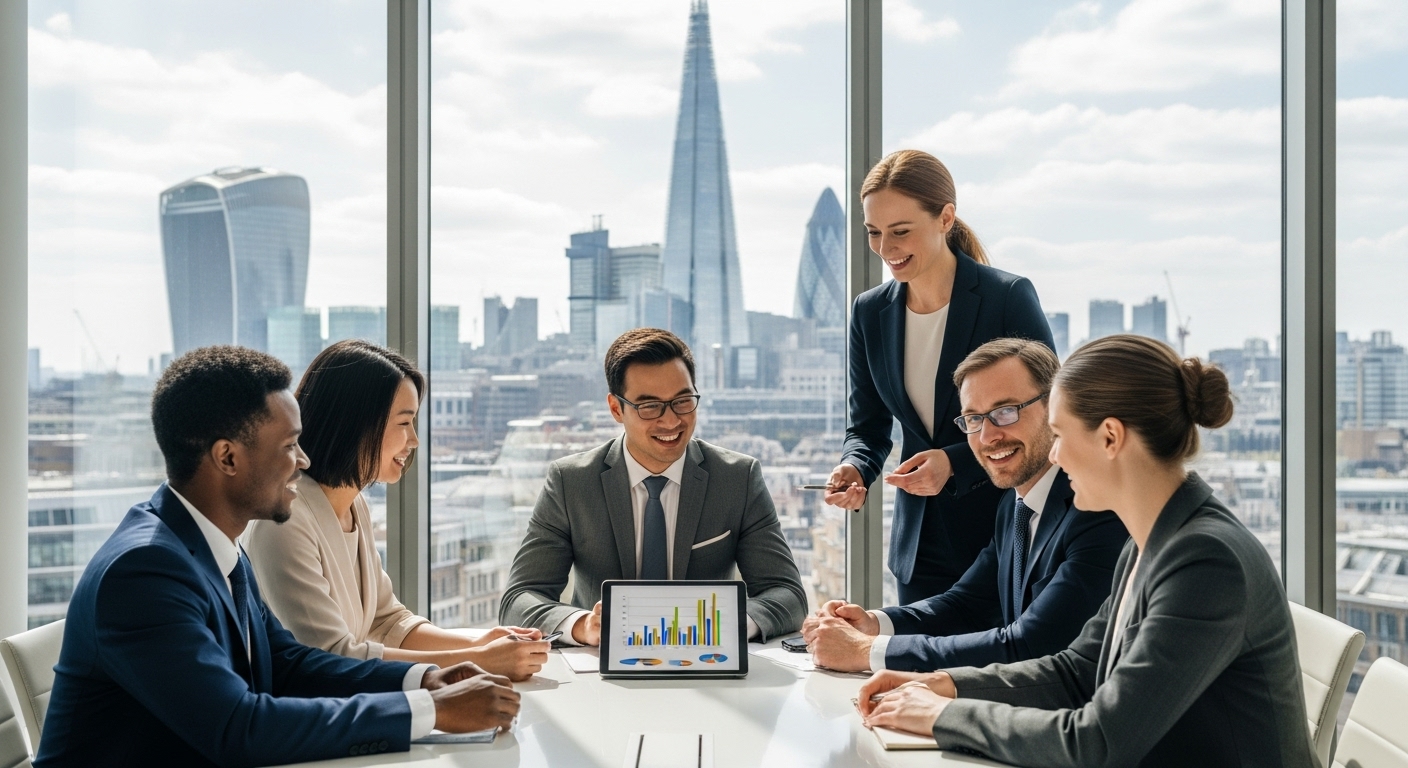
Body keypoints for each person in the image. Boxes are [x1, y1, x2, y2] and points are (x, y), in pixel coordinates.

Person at [34, 347, 520, 768]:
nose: (304, 461)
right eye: (289, 447)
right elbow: (237, 726)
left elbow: (288, 664)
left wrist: (426, 678)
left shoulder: (211, 546)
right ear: (227, 458)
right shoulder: (143, 572)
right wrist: (430, 711)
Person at [858, 335, 1315, 768]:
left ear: (1110, 438)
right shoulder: (1153, 542)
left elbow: (1097, 743)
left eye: (1059, 434)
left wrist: (941, 716)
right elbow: (1076, 671)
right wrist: (944, 686)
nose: (1054, 456)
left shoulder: (1206, 561)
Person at [802, 339, 1127, 672]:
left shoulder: (1096, 511)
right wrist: (871, 623)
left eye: (1006, 412)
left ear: (1053, 408)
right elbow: (967, 605)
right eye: (973, 419)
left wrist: (866, 651)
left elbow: (1032, 644)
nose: (987, 437)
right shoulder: (1013, 507)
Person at [244, 340, 549, 681]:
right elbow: (332, 656)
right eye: (404, 423)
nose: (414, 440)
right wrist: (479, 659)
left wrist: (483, 640)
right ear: (357, 423)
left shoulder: (353, 505)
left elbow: (387, 621)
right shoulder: (285, 522)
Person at [826, 150, 1055, 604]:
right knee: (920, 669)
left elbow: (1052, 415)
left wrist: (955, 462)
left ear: (945, 217)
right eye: (874, 233)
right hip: (920, 542)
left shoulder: (1005, 296)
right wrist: (857, 467)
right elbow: (867, 426)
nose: (886, 249)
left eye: (901, 231)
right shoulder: (869, 311)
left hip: (1007, 525)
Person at [500, 328, 806, 645]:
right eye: (649, 406)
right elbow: (519, 599)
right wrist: (583, 626)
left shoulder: (737, 478)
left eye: (683, 401)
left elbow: (788, 595)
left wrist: (730, 624)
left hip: (709, 665)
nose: (671, 421)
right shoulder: (571, 482)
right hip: (600, 677)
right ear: (616, 409)